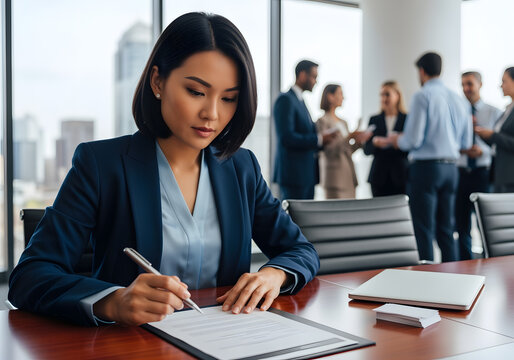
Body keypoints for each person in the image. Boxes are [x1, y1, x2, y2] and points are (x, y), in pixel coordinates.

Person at [8, 12, 319, 327]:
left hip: (226, 338)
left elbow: (300, 250)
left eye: (228, 98)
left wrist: (274, 274)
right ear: (158, 81)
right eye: (196, 92)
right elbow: (29, 277)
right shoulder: (101, 164)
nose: (211, 113)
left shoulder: (242, 167)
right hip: (134, 346)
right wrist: (112, 301)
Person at [389, 52, 472, 262]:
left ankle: (426, 280)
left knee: (423, 227)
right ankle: (454, 278)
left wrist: (395, 140)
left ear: (422, 71)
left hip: (426, 169)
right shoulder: (458, 99)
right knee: (446, 228)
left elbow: (413, 140)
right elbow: (465, 143)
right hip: (451, 170)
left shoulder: (422, 95)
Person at [455, 71, 502, 260]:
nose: (466, 88)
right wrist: (463, 150)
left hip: (482, 173)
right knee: (461, 224)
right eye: (463, 84)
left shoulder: (494, 112)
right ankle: (465, 263)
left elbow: (499, 145)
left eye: (470, 84)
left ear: (480, 85)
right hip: (460, 173)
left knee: (485, 222)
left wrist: (484, 151)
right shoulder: (458, 110)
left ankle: (488, 261)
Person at [273, 60, 334, 200]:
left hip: (305, 176)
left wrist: (323, 140)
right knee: (293, 221)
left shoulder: (300, 101)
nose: (316, 81)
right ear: (302, 75)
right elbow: (286, 137)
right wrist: (319, 139)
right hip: (293, 176)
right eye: (314, 77)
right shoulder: (285, 100)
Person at [316, 84, 369, 199]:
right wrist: (350, 136)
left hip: (348, 174)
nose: (343, 97)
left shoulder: (343, 122)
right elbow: (328, 150)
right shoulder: (322, 121)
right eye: (340, 93)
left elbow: (346, 150)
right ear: (330, 96)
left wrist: (358, 142)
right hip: (334, 177)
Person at [363, 81, 409, 197]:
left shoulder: (407, 119)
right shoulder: (374, 120)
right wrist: (375, 143)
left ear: (397, 95)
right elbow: (366, 150)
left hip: (401, 176)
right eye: (381, 95)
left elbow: (411, 147)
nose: (384, 98)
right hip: (378, 176)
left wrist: (399, 142)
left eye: (387, 94)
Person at [475, 67, 514, 193]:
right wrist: (485, 135)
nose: (501, 85)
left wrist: (493, 135)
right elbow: (499, 143)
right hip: (499, 173)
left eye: (504, 81)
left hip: (510, 176)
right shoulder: (508, 110)